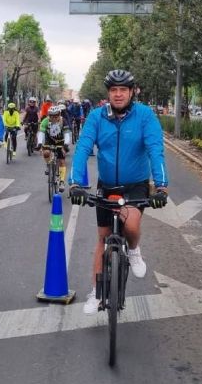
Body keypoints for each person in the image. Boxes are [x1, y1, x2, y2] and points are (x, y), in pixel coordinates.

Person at [68, 69, 169, 315]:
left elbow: (156, 149)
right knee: (102, 239)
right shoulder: (96, 117)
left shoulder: (145, 116)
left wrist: (161, 185)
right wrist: (74, 183)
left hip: (135, 185)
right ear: (108, 93)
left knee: (131, 225)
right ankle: (96, 292)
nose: (118, 94)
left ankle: (133, 251)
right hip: (107, 185)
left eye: (123, 90)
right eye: (114, 90)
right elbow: (82, 147)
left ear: (132, 92)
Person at [36, 105, 71, 192]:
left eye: (56, 115)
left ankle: (62, 181)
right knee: (46, 153)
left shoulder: (63, 121)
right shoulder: (45, 121)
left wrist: (65, 145)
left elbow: (67, 134)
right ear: (49, 115)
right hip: (49, 140)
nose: (54, 117)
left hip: (60, 141)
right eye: (51, 115)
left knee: (62, 161)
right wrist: (40, 143)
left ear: (59, 114)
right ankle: (48, 164)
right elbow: (41, 133)